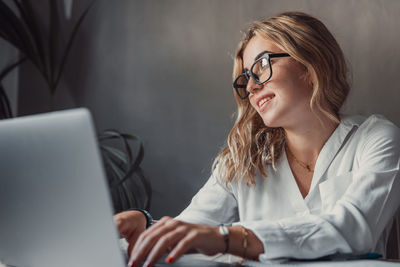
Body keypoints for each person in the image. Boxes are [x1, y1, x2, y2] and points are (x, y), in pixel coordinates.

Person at [115, 11, 400, 267]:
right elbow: (192, 229)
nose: (251, 87)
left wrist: (230, 238)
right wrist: (147, 227)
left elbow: (352, 227)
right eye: (246, 78)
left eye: (262, 65)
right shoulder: (242, 159)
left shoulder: (376, 139)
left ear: (310, 64)